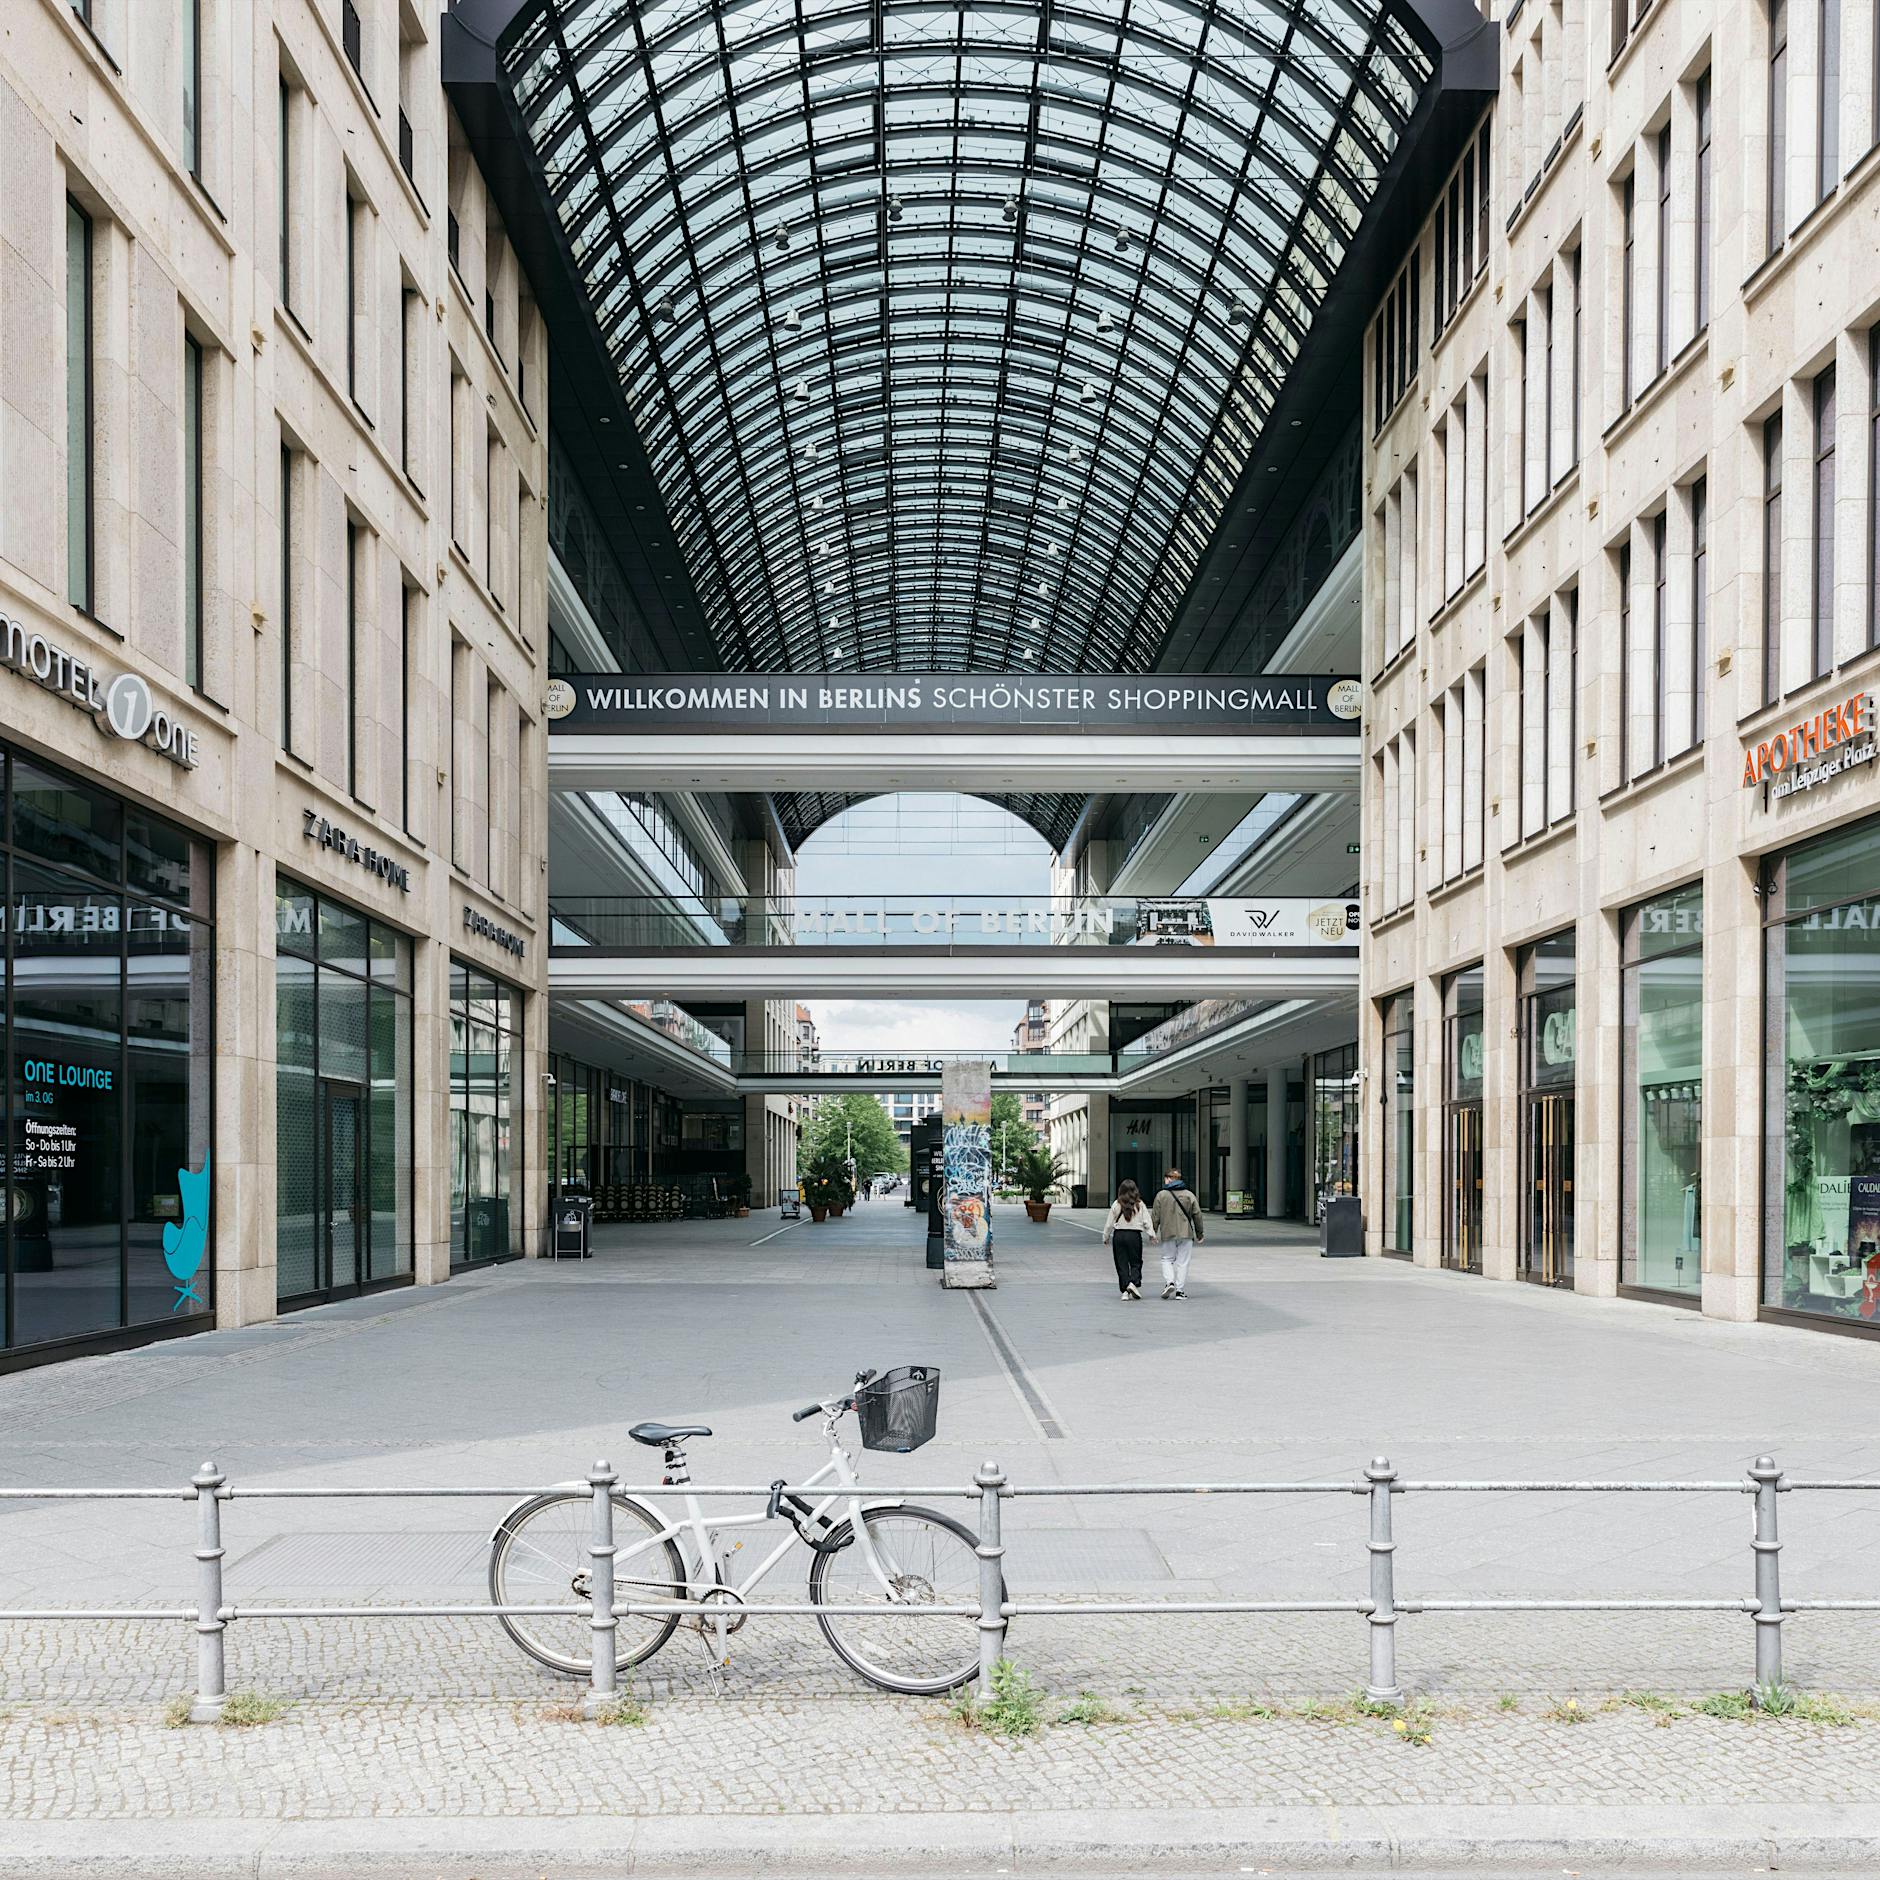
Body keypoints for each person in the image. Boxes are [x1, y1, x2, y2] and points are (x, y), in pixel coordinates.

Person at [1150, 1167, 1205, 1299]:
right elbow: (1197, 1215)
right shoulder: (1189, 1195)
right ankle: (1180, 1291)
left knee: (1166, 1259)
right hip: (1186, 1233)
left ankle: (1169, 1282)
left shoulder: (1161, 1195)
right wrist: (1199, 1233)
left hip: (1168, 1233)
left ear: (1169, 1179)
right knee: (1183, 1262)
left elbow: (1155, 1215)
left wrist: (1153, 1231)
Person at [1100, 1177, 1156, 1301]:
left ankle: (1125, 1291)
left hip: (1119, 1235)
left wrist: (1105, 1236)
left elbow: (1109, 1223)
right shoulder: (1139, 1204)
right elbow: (1147, 1221)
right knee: (1136, 1262)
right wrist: (1152, 1234)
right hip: (1134, 1236)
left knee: (1121, 1263)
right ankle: (1133, 1283)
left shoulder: (1116, 1203)